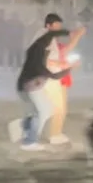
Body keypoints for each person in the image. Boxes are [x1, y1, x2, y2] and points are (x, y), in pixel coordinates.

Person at [9, 28, 81, 151]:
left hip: (24, 87)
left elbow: (51, 33)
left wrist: (69, 33)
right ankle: (29, 141)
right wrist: (70, 68)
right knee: (43, 111)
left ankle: (24, 130)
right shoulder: (39, 64)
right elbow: (54, 76)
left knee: (37, 112)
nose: (50, 50)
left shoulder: (37, 47)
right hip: (31, 87)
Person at [34, 14, 85, 146]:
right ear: (48, 25)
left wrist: (77, 36)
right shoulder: (45, 38)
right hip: (49, 77)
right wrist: (64, 65)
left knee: (57, 107)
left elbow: (63, 52)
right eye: (56, 27)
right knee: (58, 108)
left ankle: (53, 133)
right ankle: (53, 135)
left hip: (53, 76)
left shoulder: (51, 39)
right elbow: (43, 60)